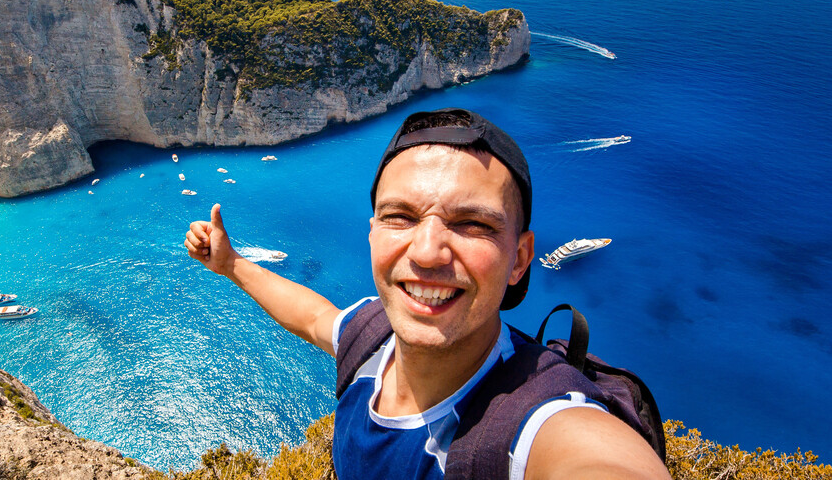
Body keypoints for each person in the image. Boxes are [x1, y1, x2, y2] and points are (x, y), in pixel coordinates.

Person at [185, 108, 668, 480]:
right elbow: (315, 317)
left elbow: (598, 461)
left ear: (520, 258)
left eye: (473, 223)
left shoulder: (532, 422)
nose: (429, 251)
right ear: (373, 234)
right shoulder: (371, 337)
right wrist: (231, 265)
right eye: (401, 217)